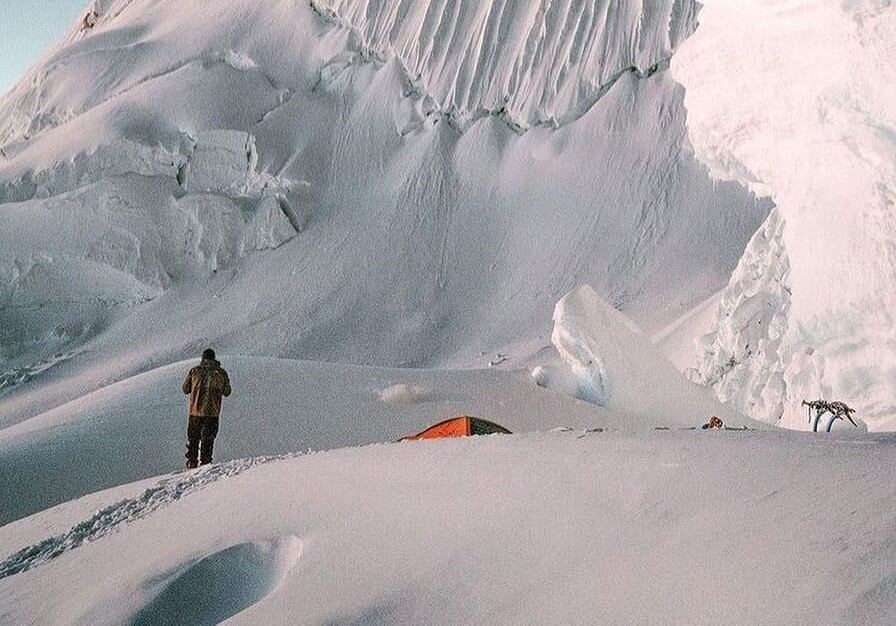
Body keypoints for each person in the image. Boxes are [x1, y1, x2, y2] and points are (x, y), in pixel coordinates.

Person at [182, 348, 232, 468]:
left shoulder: (194, 371)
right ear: (214, 358)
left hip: (195, 411)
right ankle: (205, 464)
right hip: (212, 412)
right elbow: (227, 391)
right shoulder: (221, 373)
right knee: (208, 440)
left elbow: (185, 389)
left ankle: (192, 462)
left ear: (203, 358)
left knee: (193, 438)